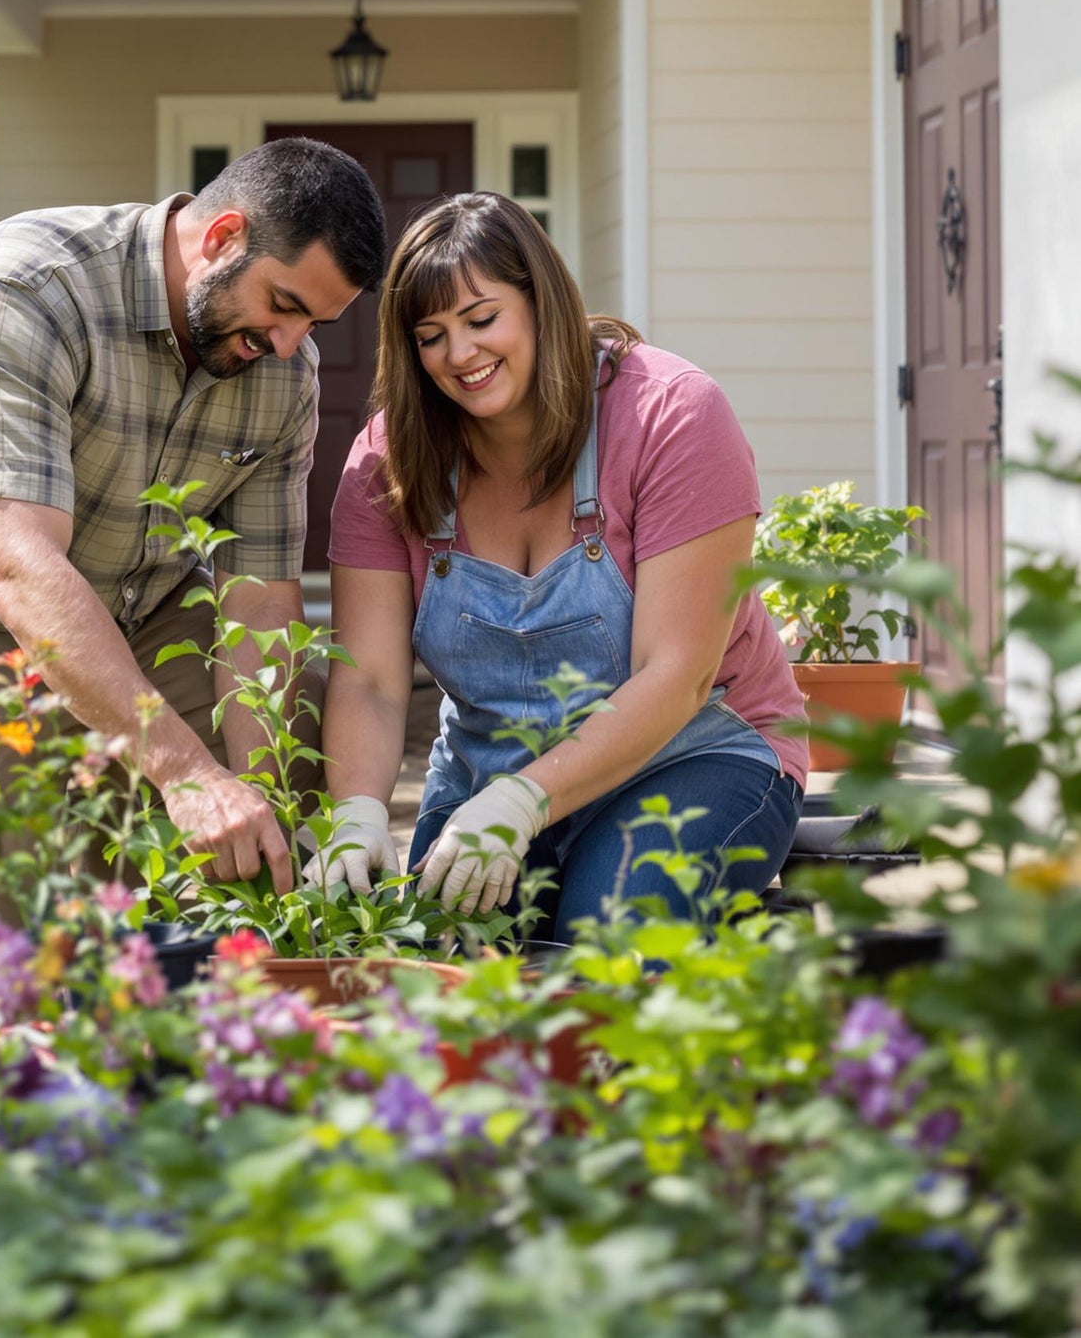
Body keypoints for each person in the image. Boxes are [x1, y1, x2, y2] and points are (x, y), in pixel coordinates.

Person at [0, 138, 387, 961]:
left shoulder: (284, 372)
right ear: (221, 236)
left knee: (299, 757)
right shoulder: (20, 288)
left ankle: (215, 1005)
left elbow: (259, 606)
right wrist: (190, 777)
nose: (288, 341)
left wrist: (254, 806)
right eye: (282, 303)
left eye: (313, 320)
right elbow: (20, 573)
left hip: (143, 615)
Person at [311, 191, 807, 936]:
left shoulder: (670, 415)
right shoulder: (389, 460)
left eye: (481, 319)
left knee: (604, 933)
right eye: (431, 335)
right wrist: (356, 812)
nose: (460, 353)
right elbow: (373, 682)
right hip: (487, 773)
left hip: (696, 752)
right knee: (434, 955)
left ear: (541, 302)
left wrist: (523, 803)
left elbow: (677, 673)